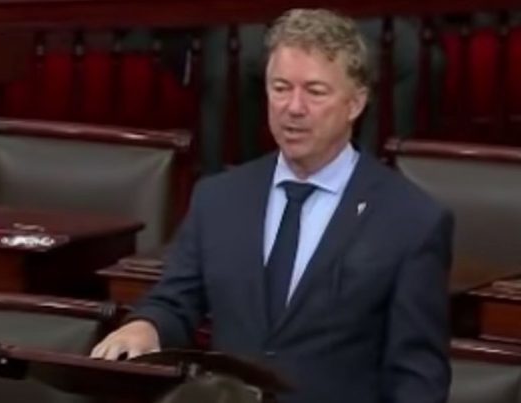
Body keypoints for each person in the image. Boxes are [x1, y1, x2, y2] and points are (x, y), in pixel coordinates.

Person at [92, 8, 453, 403]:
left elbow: (417, 378)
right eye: (281, 88)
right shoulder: (220, 198)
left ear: (355, 103)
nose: (293, 107)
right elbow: (176, 301)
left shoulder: (410, 220)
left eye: (315, 92)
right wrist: (145, 327)